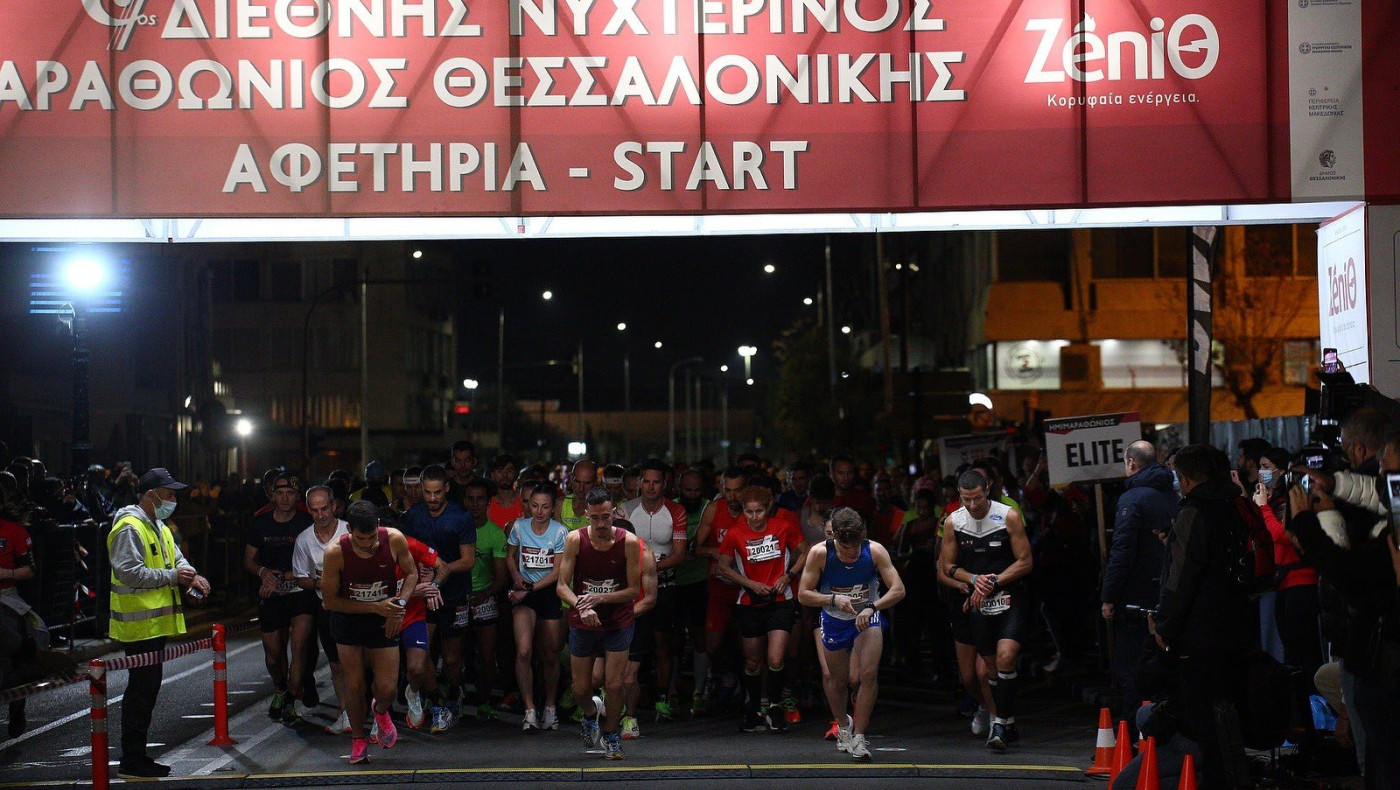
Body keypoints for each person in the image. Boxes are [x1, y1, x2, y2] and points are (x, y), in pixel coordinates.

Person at [1151, 445, 1254, 790]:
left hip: (1200, 633)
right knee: (1230, 713)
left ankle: (1213, 781)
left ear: (1186, 478)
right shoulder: (1237, 506)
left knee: (1203, 718)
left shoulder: (1193, 513)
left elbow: (1181, 579)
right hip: (1238, 624)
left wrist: (1164, 624)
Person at [107, 468, 210, 778]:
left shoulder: (159, 526)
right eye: (169, 494)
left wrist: (193, 576)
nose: (174, 499)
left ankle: (137, 757)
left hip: (154, 625)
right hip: (138, 626)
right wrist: (173, 577)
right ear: (150, 496)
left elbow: (177, 558)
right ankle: (132, 759)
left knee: (147, 691)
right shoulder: (130, 527)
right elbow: (129, 572)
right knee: (140, 692)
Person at [797, 506, 905, 760]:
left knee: (867, 674)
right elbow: (804, 594)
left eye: (854, 547)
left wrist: (872, 607)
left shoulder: (874, 550)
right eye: (844, 548)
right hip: (835, 618)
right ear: (834, 538)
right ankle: (843, 725)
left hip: (866, 616)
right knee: (837, 680)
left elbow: (898, 589)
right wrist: (832, 599)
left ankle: (859, 735)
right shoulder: (820, 553)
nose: (850, 553)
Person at [938, 469, 1032, 751]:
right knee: (986, 669)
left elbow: (1026, 561)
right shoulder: (954, 521)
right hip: (977, 602)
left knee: (1006, 657)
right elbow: (946, 566)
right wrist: (972, 580)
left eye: (977, 498)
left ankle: (1000, 722)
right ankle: (1006, 719)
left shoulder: (1008, 515)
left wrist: (993, 581)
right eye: (966, 499)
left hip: (1009, 596)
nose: (973, 505)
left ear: (987, 491)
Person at [320, 500, 417, 765]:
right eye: (361, 540)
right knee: (354, 683)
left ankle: (381, 710)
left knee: (387, 687)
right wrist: (376, 607)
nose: (367, 545)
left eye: (372, 537)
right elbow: (330, 601)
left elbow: (411, 574)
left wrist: (400, 604)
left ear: (378, 526)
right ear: (349, 530)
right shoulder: (335, 552)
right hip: (349, 618)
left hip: (384, 616)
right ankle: (359, 739)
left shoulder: (394, 539)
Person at [557, 487, 642, 759]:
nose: (602, 524)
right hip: (583, 621)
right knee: (580, 688)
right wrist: (582, 605)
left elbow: (632, 590)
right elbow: (562, 586)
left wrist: (599, 599)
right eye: (596, 518)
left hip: (617, 620)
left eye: (606, 517)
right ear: (586, 515)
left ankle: (611, 734)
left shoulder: (628, 541)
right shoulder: (574, 539)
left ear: (613, 513)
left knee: (615, 684)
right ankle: (591, 714)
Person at [716, 485, 807, 733]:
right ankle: (755, 707)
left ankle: (775, 706)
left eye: (759, 511)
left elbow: (805, 551)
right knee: (753, 662)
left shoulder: (783, 527)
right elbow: (722, 566)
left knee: (776, 657)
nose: (754, 517)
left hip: (780, 601)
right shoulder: (735, 533)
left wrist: (788, 576)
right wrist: (749, 583)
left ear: (768, 509)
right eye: (749, 512)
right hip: (750, 604)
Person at [1101, 441, 1178, 721]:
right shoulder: (1175, 496)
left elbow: (1122, 552)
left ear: (1131, 463)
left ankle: (1136, 730)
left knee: (1133, 666)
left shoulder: (1132, 500)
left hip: (1135, 597)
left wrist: (1109, 596)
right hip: (1168, 592)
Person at [400, 464, 476, 732]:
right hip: (423, 595)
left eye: (437, 493)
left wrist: (439, 571)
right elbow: (406, 552)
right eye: (427, 492)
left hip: (453, 594)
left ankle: (454, 693)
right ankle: (436, 703)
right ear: (421, 490)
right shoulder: (413, 515)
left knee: (453, 658)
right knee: (424, 652)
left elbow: (468, 560)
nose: (432, 498)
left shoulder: (461, 516)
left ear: (446, 489)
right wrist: (420, 574)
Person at [616, 458, 689, 721]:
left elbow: (679, 555)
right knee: (629, 645)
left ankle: (662, 697)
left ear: (664, 483)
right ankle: (632, 696)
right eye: (645, 481)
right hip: (634, 589)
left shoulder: (676, 511)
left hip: (665, 586)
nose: (650, 487)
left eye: (655, 482)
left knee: (662, 645)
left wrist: (647, 569)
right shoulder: (625, 510)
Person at [245, 472, 315, 724]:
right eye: (280, 493)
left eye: (290, 494)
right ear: (272, 496)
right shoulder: (260, 522)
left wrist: (286, 576)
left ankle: (290, 701)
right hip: (271, 593)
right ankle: (280, 689)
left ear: (297, 496)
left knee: (298, 646)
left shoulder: (307, 521)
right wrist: (264, 573)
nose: (285, 498)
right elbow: (249, 560)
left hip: (300, 590)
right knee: (274, 655)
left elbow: (315, 559)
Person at [506, 482, 569, 732]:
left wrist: (529, 588)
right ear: (528, 504)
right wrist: (515, 575)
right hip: (525, 594)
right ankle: (530, 709)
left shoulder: (560, 532)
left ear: (553, 508)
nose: (539, 511)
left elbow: (557, 572)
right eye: (534, 505)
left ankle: (550, 706)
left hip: (548, 593)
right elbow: (510, 556)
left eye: (544, 507)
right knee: (523, 651)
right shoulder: (519, 527)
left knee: (550, 654)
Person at [291, 485, 352, 734]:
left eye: (324, 508)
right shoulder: (304, 539)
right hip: (327, 607)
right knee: (336, 664)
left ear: (334, 505)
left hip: (356, 605)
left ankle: (375, 713)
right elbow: (300, 578)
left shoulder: (349, 530)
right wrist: (320, 582)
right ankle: (346, 714)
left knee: (361, 663)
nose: (321, 515)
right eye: (314, 510)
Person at [693, 466, 749, 713]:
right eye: (729, 491)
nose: (733, 497)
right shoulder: (714, 509)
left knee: (746, 644)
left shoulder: (754, 511)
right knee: (713, 644)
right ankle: (725, 679)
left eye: (738, 491)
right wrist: (717, 552)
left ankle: (751, 694)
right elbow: (696, 547)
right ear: (721, 489)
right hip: (719, 586)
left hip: (747, 588)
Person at [462, 476, 509, 719]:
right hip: (458, 597)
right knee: (453, 657)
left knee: (487, 657)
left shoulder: (496, 535)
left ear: (487, 502)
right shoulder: (455, 529)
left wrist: (485, 594)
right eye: (470, 499)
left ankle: (484, 701)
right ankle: (452, 698)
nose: (475, 504)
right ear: (464, 501)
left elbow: (501, 578)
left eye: (480, 499)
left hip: (485, 598)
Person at [672, 468, 711, 716]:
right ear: (679, 488)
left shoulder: (709, 508)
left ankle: (699, 691)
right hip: (674, 581)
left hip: (701, 580)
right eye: (688, 490)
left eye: (697, 490)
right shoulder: (671, 508)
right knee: (673, 641)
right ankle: (673, 691)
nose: (693, 495)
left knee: (700, 638)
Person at [557, 460, 597, 532]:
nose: (581, 488)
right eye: (577, 482)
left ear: (595, 482)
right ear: (572, 479)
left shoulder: (601, 507)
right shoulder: (561, 504)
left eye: (587, 483)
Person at [489, 455, 524, 528]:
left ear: (516, 474)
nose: (504, 475)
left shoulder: (525, 502)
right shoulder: (486, 505)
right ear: (492, 475)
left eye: (509, 471)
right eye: (500, 471)